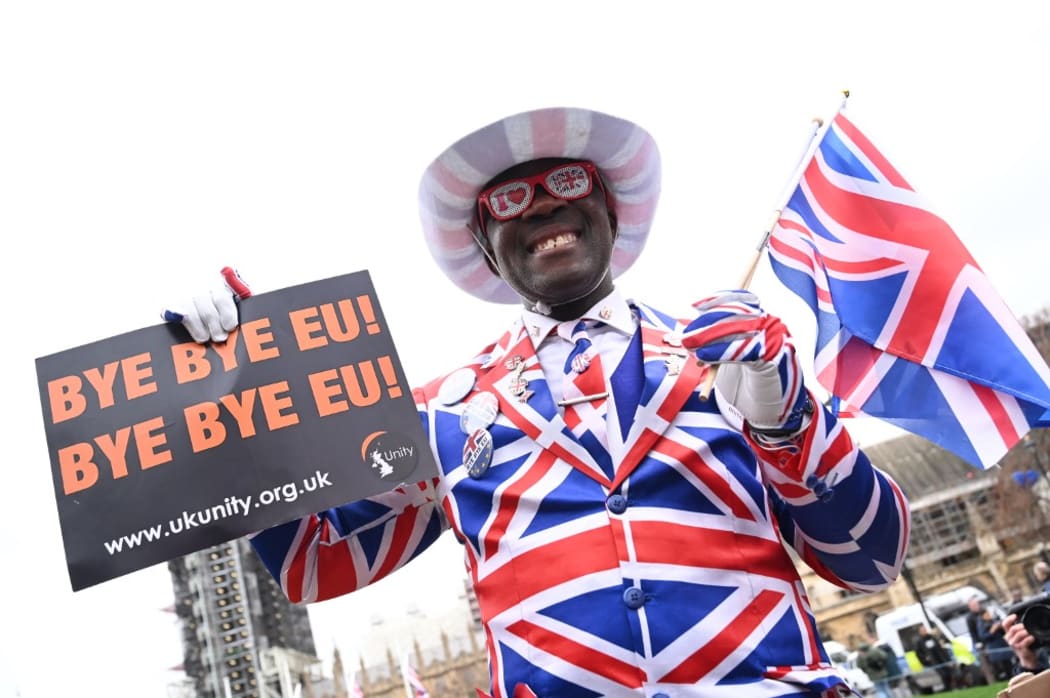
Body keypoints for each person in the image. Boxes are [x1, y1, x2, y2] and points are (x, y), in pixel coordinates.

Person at [165, 107, 911, 697]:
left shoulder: (732, 355)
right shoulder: (441, 416)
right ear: (487, 248)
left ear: (611, 216)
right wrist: (235, 388)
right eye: (510, 201)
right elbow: (315, 563)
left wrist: (786, 420)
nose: (544, 209)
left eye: (569, 186)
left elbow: (871, 561)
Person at [914, 625, 956, 692]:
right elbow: (918, 653)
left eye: (925, 629)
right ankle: (948, 689)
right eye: (923, 630)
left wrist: (947, 658)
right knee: (943, 674)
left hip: (941, 658)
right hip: (933, 662)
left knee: (948, 673)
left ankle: (950, 687)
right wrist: (925, 658)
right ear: (920, 632)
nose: (925, 631)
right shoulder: (919, 642)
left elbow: (940, 648)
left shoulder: (932, 637)